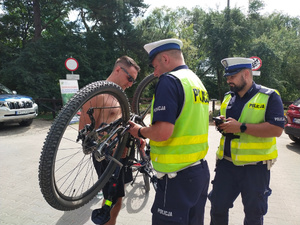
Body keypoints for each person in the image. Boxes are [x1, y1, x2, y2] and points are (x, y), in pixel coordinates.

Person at [128, 38, 210, 225]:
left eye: (155, 66)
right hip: (198, 171)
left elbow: (163, 132)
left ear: (165, 59)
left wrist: (140, 131)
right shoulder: (196, 82)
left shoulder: (169, 80)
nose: (155, 73)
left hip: (177, 177)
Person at [209, 57, 285, 225]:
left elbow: (277, 129)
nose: (229, 80)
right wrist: (222, 124)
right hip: (226, 165)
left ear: (246, 74)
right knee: (217, 208)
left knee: (253, 215)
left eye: (232, 77)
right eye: (227, 77)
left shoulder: (269, 96)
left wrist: (241, 127)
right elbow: (230, 127)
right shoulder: (229, 97)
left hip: (255, 170)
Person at [79, 55, 140, 225]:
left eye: (133, 81)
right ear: (118, 69)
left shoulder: (119, 96)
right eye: (130, 79)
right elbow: (85, 137)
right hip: (107, 159)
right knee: (112, 201)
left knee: (117, 197)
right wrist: (106, 145)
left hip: (123, 156)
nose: (130, 84)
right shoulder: (97, 94)